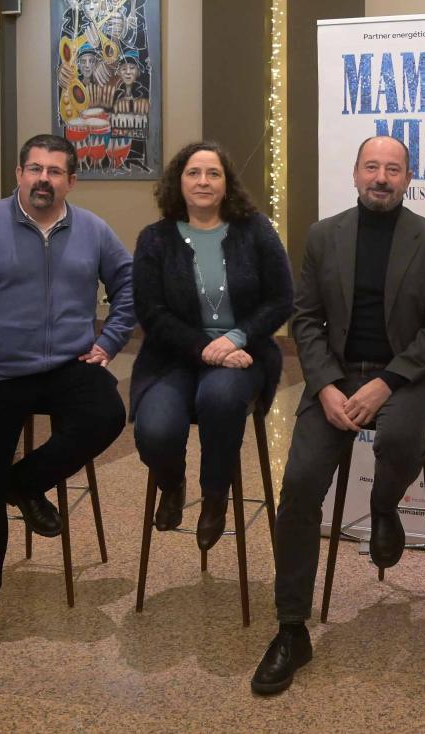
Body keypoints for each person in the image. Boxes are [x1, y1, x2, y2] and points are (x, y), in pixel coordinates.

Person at [251, 135, 425, 696]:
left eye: (392, 169)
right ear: (355, 174)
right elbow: (305, 319)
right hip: (336, 375)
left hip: (408, 373)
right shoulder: (324, 235)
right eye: (372, 167)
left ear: (408, 178)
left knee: (401, 437)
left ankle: (383, 506)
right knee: (298, 485)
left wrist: (386, 382)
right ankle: (291, 628)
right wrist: (323, 385)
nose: (381, 178)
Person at [0, 133, 134, 664]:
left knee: (107, 412)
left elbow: (130, 286)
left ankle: (21, 484)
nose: (44, 179)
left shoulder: (93, 231)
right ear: (19, 174)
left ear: (71, 181)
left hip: (66, 365)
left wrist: (109, 341)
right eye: (35, 169)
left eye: (55, 171)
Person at [128, 142, 292, 552]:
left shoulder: (255, 230)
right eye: (194, 173)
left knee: (219, 400)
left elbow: (281, 299)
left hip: (242, 355)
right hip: (172, 356)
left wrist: (235, 338)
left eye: (213, 173)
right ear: (178, 182)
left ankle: (215, 497)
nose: (203, 181)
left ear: (226, 183)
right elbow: (151, 313)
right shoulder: (154, 239)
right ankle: (172, 484)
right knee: (156, 430)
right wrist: (205, 347)